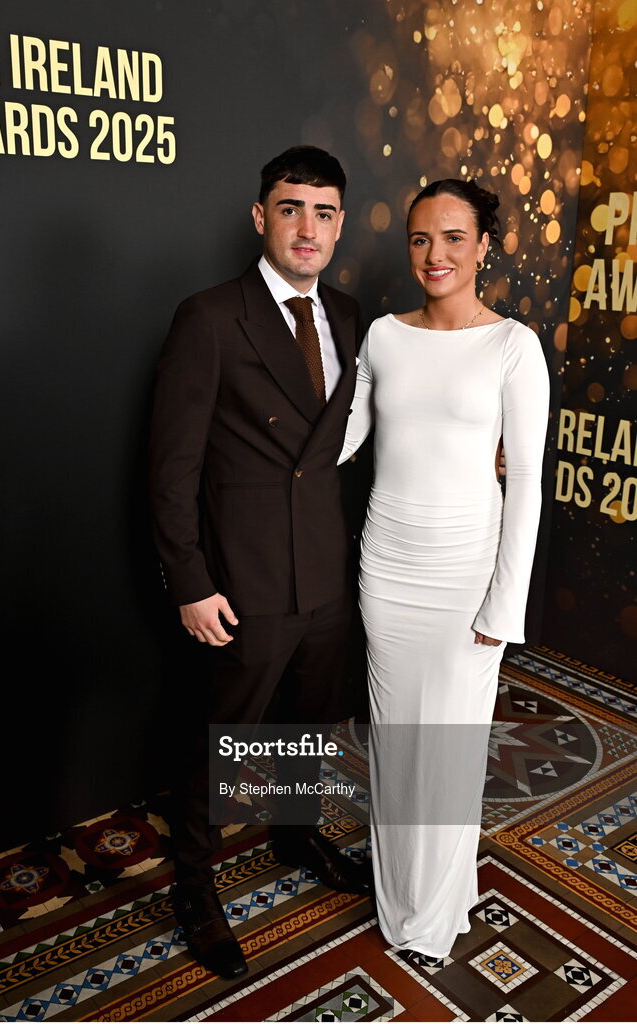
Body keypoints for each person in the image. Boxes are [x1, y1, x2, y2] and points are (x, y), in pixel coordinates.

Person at [149, 146, 370, 980]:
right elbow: (171, 467)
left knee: (304, 726)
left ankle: (292, 832)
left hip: (322, 572)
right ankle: (196, 889)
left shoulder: (348, 315)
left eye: (323, 212)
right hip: (239, 582)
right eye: (290, 208)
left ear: (340, 224)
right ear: (260, 217)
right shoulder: (209, 317)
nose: (306, 227)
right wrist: (190, 580)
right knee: (219, 740)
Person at [338, 179, 549, 959]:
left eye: (454, 238)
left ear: (483, 246)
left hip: (467, 574)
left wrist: (505, 605)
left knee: (452, 747)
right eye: (422, 239)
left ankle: (435, 907)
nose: (435, 255)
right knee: (396, 743)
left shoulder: (513, 346)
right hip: (387, 569)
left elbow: (525, 481)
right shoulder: (385, 337)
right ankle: (404, 903)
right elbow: (341, 441)